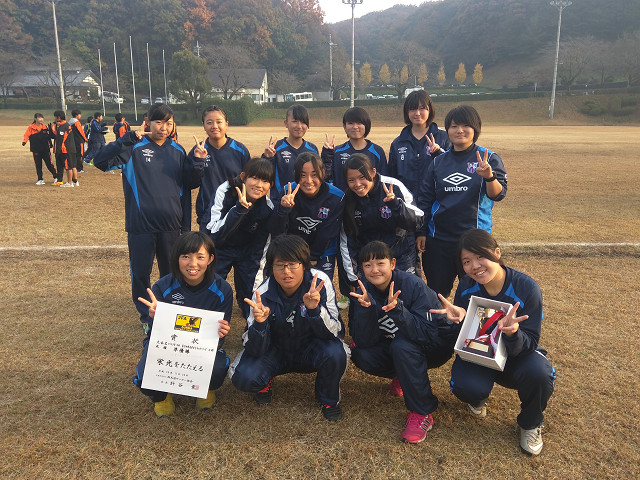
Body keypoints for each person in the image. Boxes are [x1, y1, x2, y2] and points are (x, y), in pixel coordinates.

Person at [431, 228, 556, 456]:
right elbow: (467, 332)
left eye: (481, 256)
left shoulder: (526, 288)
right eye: (467, 261)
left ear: (497, 253)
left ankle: (530, 423)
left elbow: (530, 341)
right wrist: (460, 318)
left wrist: (513, 332)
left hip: (516, 356)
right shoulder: (466, 285)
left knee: (540, 374)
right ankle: (478, 396)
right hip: (481, 354)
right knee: (465, 386)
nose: (475, 266)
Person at [93, 103, 205, 323]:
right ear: (148, 122)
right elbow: (99, 161)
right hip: (140, 225)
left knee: (172, 273)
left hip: (171, 226)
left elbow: (186, 188)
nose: (163, 127)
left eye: (168, 122)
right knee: (141, 274)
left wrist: (199, 163)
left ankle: (171, 313)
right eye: (158, 122)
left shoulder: (178, 150)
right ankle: (147, 317)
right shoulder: (132, 148)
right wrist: (125, 139)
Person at [229, 234, 348, 421]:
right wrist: (260, 324)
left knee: (336, 352)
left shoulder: (320, 284)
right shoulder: (262, 293)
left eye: (293, 264)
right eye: (280, 265)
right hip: (276, 350)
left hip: (311, 347)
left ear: (304, 264)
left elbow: (336, 332)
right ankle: (264, 381)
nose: (287, 271)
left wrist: (315, 311)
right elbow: (251, 346)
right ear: (271, 268)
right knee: (244, 377)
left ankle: (327, 397)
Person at [349, 241, 458, 443]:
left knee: (402, 345)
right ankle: (404, 375)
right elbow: (363, 341)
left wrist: (398, 311)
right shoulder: (363, 291)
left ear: (392, 263)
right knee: (361, 354)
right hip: (399, 346)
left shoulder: (413, 285)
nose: (374, 270)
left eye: (380, 263)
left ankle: (422, 411)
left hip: (434, 345)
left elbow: (428, 333)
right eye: (367, 265)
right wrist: (365, 311)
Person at [132, 232, 233, 417]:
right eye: (185, 256)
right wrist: (154, 318)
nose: (192, 264)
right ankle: (161, 397)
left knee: (219, 368)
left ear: (210, 259)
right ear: (177, 258)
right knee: (144, 375)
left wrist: (222, 332)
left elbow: (218, 340)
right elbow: (152, 335)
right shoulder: (162, 287)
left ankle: (205, 388)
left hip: (202, 348)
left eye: (200, 257)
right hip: (167, 346)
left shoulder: (222, 290)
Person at [417, 105, 507, 298]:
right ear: (447, 130)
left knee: (480, 291)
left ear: (475, 129)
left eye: (466, 125)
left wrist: (489, 176)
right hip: (439, 240)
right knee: (437, 293)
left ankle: (477, 327)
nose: (459, 130)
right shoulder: (438, 162)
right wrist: (422, 232)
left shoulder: (489, 158)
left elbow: (498, 195)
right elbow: (425, 199)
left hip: (475, 240)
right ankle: (441, 327)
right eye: (454, 126)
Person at [205, 157, 284, 318]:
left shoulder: (267, 207)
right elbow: (213, 233)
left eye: (265, 181)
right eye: (254, 178)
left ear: (270, 185)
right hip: (220, 245)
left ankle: (251, 323)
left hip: (248, 249)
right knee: (211, 285)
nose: (259, 185)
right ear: (243, 177)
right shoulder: (226, 191)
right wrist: (239, 210)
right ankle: (207, 318)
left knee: (250, 289)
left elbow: (262, 246)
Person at [340, 153, 423, 288]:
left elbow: (417, 221)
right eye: (351, 180)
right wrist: (353, 276)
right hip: (370, 261)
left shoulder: (393, 187)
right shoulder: (348, 200)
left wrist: (396, 205)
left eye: (362, 177)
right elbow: (347, 241)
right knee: (373, 304)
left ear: (373, 172)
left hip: (402, 255)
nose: (358, 184)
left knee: (407, 296)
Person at [276, 152, 344, 280]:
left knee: (319, 286)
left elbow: (328, 232)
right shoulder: (287, 191)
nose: (308, 181)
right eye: (302, 175)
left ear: (323, 173)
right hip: (292, 250)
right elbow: (279, 229)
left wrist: (312, 256)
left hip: (322, 252)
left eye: (314, 175)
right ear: (295, 173)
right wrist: (284, 209)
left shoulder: (336, 197)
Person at [188, 105, 251, 231]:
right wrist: (199, 161)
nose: (214, 126)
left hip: (235, 213)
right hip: (208, 214)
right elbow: (191, 183)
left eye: (219, 122)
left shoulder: (240, 150)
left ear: (226, 124)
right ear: (204, 126)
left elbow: (249, 182)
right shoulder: (197, 152)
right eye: (209, 122)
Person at [388, 89, 451, 195]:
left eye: (422, 108)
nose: (417, 113)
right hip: (407, 206)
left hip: (436, 204)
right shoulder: (398, 143)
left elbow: (452, 168)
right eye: (412, 109)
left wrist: (439, 153)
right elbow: (392, 178)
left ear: (429, 110)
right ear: (407, 112)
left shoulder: (444, 138)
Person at [321, 106, 388, 192]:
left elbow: (383, 181)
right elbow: (326, 178)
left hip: (370, 203)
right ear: (344, 126)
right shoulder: (337, 152)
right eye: (351, 123)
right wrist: (327, 155)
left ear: (366, 125)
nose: (355, 127)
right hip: (344, 203)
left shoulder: (377, 152)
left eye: (359, 123)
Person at [263, 104, 318, 198]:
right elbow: (265, 176)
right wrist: (267, 158)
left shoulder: (312, 149)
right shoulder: (276, 148)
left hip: (306, 203)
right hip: (281, 203)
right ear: (286, 123)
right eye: (295, 121)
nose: (299, 126)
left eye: (303, 122)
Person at [22, 113, 56, 185]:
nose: (41, 119)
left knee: (49, 164)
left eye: (42, 118)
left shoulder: (45, 127)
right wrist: (24, 141)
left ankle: (56, 177)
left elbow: (50, 136)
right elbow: (26, 135)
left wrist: (50, 128)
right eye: (39, 118)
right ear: (35, 119)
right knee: (38, 165)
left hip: (45, 149)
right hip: (36, 149)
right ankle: (40, 179)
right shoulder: (31, 127)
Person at [50, 110, 76, 187]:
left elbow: (61, 140)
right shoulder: (63, 126)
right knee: (65, 166)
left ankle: (70, 182)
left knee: (68, 167)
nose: (54, 119)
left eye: (55, 117)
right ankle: (65, 181)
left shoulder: (64, 126)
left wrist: (58, 151)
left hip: (65, 150)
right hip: (65, 150)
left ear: (59, 117)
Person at [68, 109, 88, 184]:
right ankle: (79, 168)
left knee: (75, 154)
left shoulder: (70, 122)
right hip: (79, 141)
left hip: (73, 141)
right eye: (80, 114)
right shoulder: (76, 122)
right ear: (77, 115)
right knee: (80, 154)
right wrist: (85, 139)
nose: (80, 116)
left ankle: (75, 167)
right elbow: (81, 132)